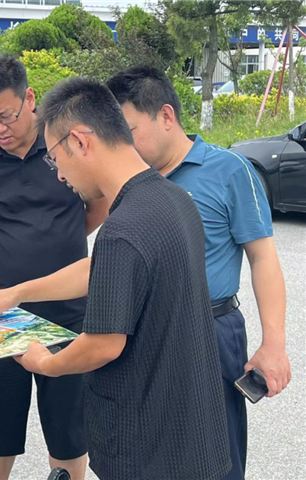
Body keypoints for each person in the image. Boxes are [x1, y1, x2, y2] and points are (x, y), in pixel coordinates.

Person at [0, 77, 231, 480]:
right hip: (191, 433)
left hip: (146, 446)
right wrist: (18, 292)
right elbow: (104, 268)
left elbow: (103, 344)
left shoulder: (123, 228)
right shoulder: (171, 198)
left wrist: (46, 363)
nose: (58, 175)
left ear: (80, 141)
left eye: (55, 159)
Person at [105, 66, 291, 480]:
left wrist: (274, 343)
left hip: (210, 328)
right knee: (148, 452)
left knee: (216, 456)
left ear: (166, 116)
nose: (125, 146)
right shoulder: (129, 181)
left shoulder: (229, 170)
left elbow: (263, 258)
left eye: (130, 131)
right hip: (143, 333)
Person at [0, 56, 108, 480]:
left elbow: (98, 206)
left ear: (29, 98)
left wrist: (58, 243)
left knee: (70, 430)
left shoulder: (65, 144)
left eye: (6, 116)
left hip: (70, 311)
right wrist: (4, 248)